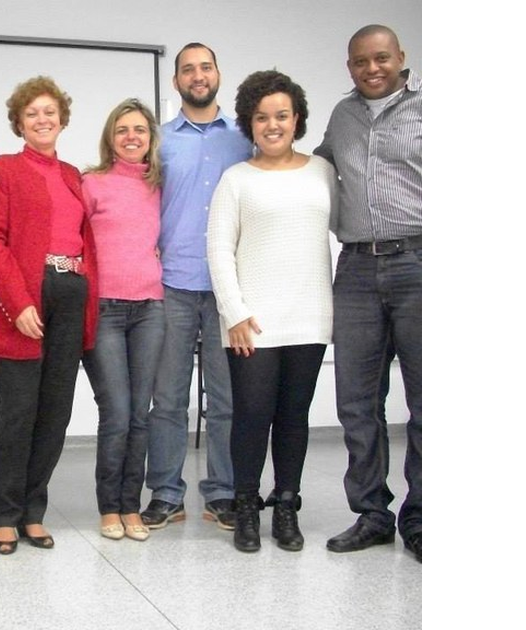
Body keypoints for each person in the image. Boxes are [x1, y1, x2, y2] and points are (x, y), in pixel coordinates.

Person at [207, 70, 335, 553]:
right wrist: (234, 312)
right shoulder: (236, 179)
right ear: (249, 123)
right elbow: (219, 249)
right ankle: (245, 506)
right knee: (252, 415)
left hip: (309, 314)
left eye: (281, 115)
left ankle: (285, 505)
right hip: (252, 321)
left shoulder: (322, 172)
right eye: (262, 117)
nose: (272, 124)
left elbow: (343, 229)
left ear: (296, 118)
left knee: (294, 417)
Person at [0, 76, 98, 555]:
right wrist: (19, 302)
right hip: (23, 296)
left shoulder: (73, 176)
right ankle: (4, 515)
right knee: (19, 411)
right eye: (32, 114)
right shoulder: (0, 169)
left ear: (62, 119)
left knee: (55, 412)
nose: (42, 120)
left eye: (49, 112)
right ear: (18, 123)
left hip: (70, 293)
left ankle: (33, 511)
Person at [314, 24, 422, 564]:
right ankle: (372, 514)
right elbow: (316, 168)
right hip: (355, 267)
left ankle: (419, 517)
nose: (371, 68)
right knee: (357, 400)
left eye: (381, 58)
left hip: (417, 263)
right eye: (360, 61)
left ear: (401, 58)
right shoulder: (342, 116)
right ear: (350, 65)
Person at [142, 43, 253, 531]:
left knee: (227, 400)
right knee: (167, 398)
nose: (197, 75)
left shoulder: (245, 139)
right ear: (176, 82)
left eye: (205, 67)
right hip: (173, 285)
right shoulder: (159, 141)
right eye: (187, 69)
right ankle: (166, 493)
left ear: (218, 74)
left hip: (230, 288)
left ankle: (223, 493)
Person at [80, 99, 164, 543]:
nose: (132, 137)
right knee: (116, 412)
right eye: (122, 130)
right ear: (110, 138)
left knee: (140, 415)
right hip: (105, 311)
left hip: (151, 309)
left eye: (140, 130)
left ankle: (132, 506)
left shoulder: (159, 186)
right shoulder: (90, 184)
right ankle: (108, 506)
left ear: (151, 138)